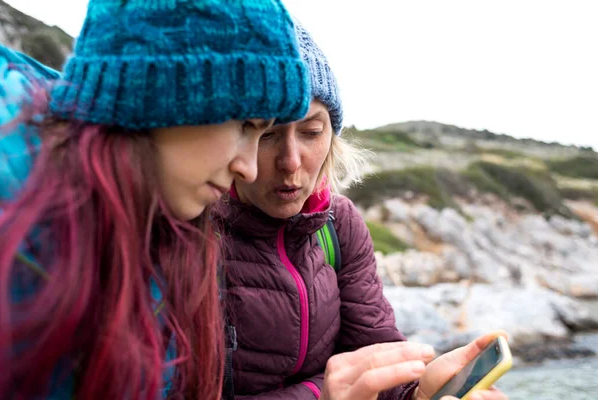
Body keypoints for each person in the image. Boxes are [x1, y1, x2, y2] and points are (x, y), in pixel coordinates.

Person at [0, 0, 311, 398]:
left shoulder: (170, 233)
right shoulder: (12, 230)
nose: (249, 169)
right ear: (163, 95)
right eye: (247, 125)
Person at [213, 22, 509, 400]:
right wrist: (321, 394)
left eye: (311, 132)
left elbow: (374, 364)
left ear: (332, 136)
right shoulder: (189, 229)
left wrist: (418, 394)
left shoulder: (338, 224)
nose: (290, 162)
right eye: (268, 133)